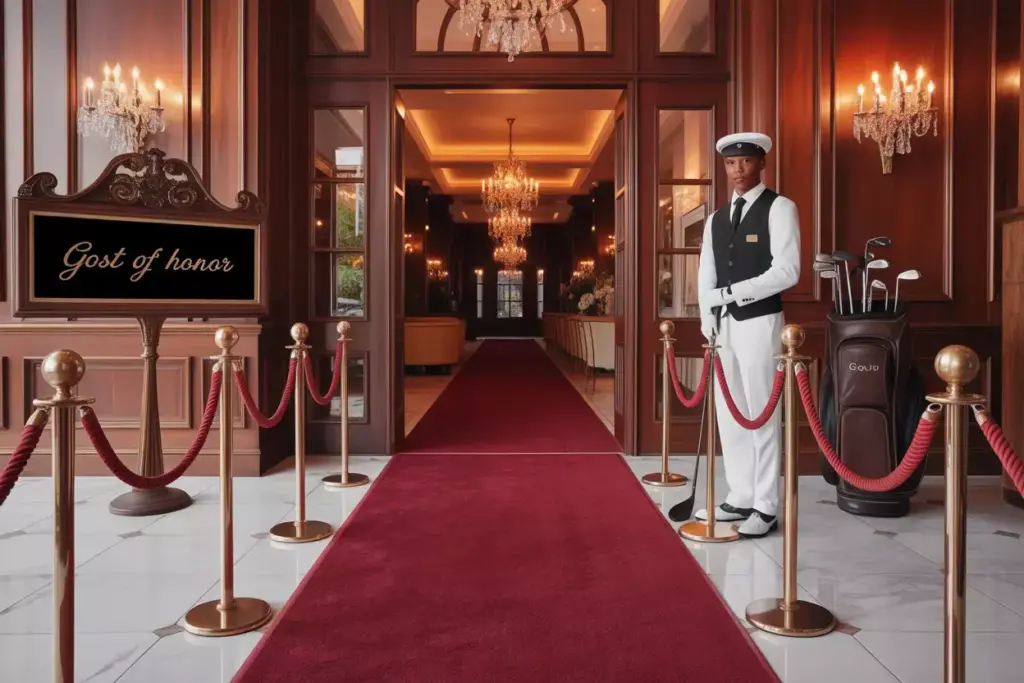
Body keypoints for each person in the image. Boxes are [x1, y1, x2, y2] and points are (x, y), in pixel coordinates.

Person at [673, 132, 800, 538]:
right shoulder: (716, 219)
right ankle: (741, 493)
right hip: (724, 328)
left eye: (745, 162)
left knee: (761, 415)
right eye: (731, 164)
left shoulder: (780, 208)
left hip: (760, 323)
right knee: (730, 415)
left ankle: (766, 505)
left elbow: (787, 272)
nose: (738, 170)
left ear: (761, 162)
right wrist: (708, 319)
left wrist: (732, 294)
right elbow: (705, 274)